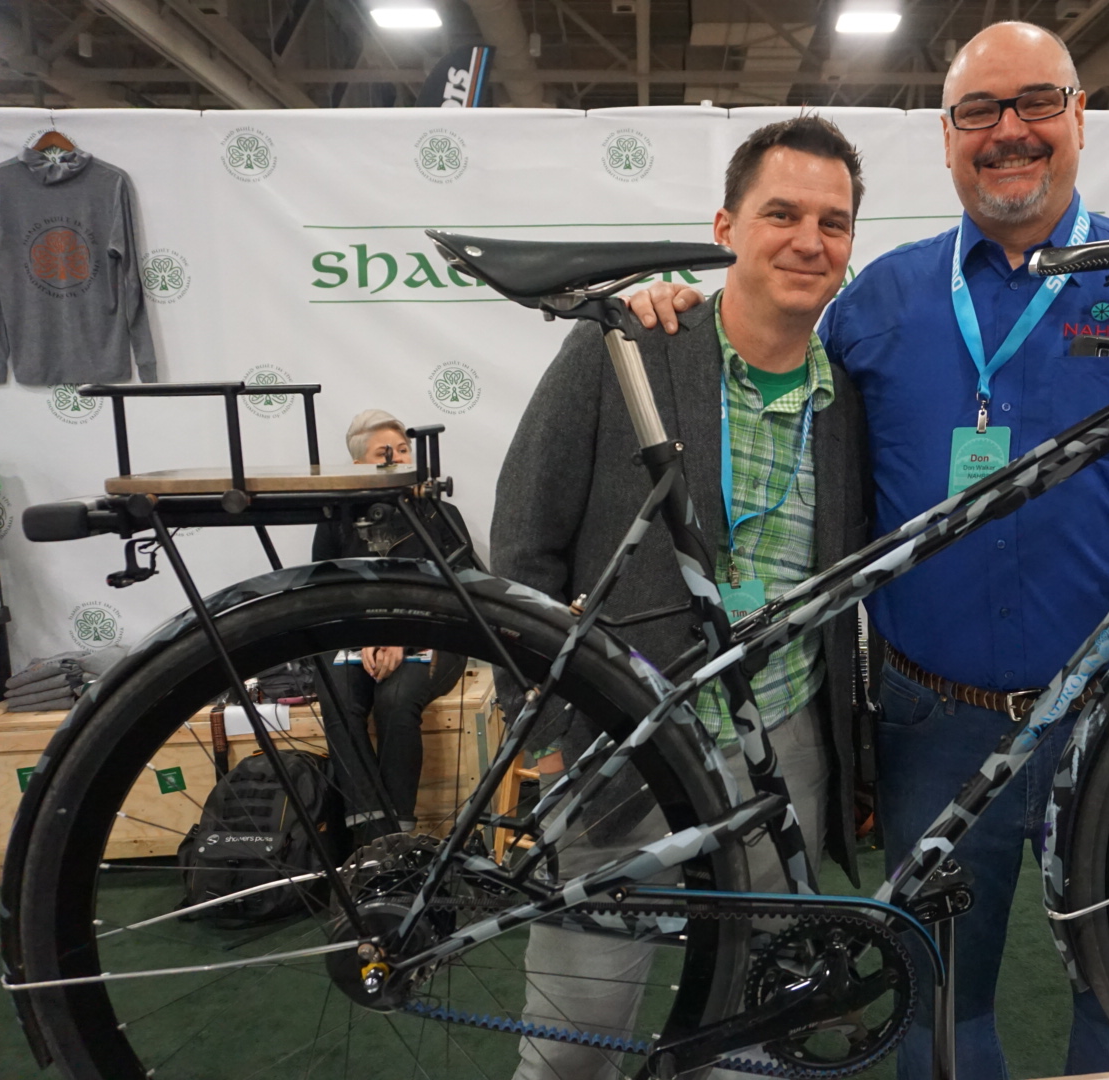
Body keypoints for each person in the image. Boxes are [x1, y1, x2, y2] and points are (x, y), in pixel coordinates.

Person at [630, 22, 1109, 1078]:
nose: (1008, 132)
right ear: (945, 138)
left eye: (1034, 103)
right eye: (979, 111)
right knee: (936, 994)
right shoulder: (880, 300)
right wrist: (673, 310)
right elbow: (763, 355)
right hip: (931, 719)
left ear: (1077, 119)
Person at [490, 115, 872, 1080]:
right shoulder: (628, 347)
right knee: (577, 1038)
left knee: (746, 1039)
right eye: (781, 212)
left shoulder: (852, 397)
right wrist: (529, 712)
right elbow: (526, 536)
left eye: (833, 221)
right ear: (725, 226)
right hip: (625, 735)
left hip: (784, 739)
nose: (807, 239)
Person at [313, 409, 475, 838]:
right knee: (338, 699)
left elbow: (464, 591)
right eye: (386, 454)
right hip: (358, 640)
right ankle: (372, 834)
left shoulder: (440, 513)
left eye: (403, 450)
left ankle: (399, 836)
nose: (400, 460)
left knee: (395, 701)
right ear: (358, 466)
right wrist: (366, 633)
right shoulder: (336, 518)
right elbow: (324, 593)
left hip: (433, 635)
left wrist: (403, 634)